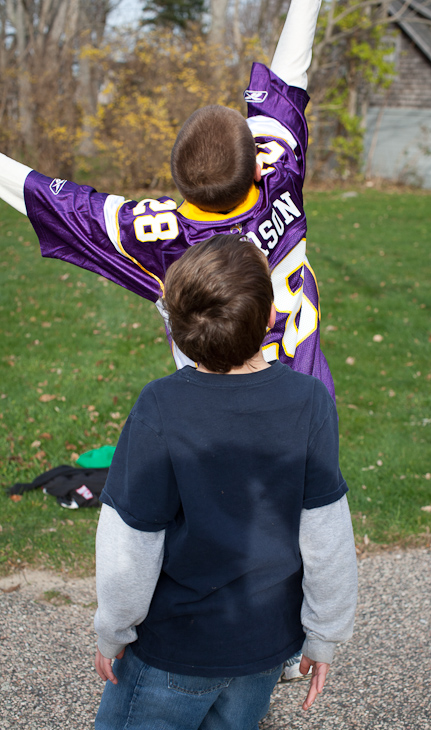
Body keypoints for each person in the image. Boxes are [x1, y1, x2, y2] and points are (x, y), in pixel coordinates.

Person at [0, 0, 335, 402]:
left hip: (213, 416)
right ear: (257, 168)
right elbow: (289, 75)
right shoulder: (279, 174)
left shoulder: (165, 241)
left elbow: (57, 201)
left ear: (181, 181)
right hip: (306, 397)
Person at [93, 234, 357, 730]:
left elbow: (130, 541)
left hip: (175, 649)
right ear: (271, 316)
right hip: (263, 650)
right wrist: (323, 634)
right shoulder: (309, 401)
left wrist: (113, 630)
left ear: (174, 326)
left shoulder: (160, 407)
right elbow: (328, 535)